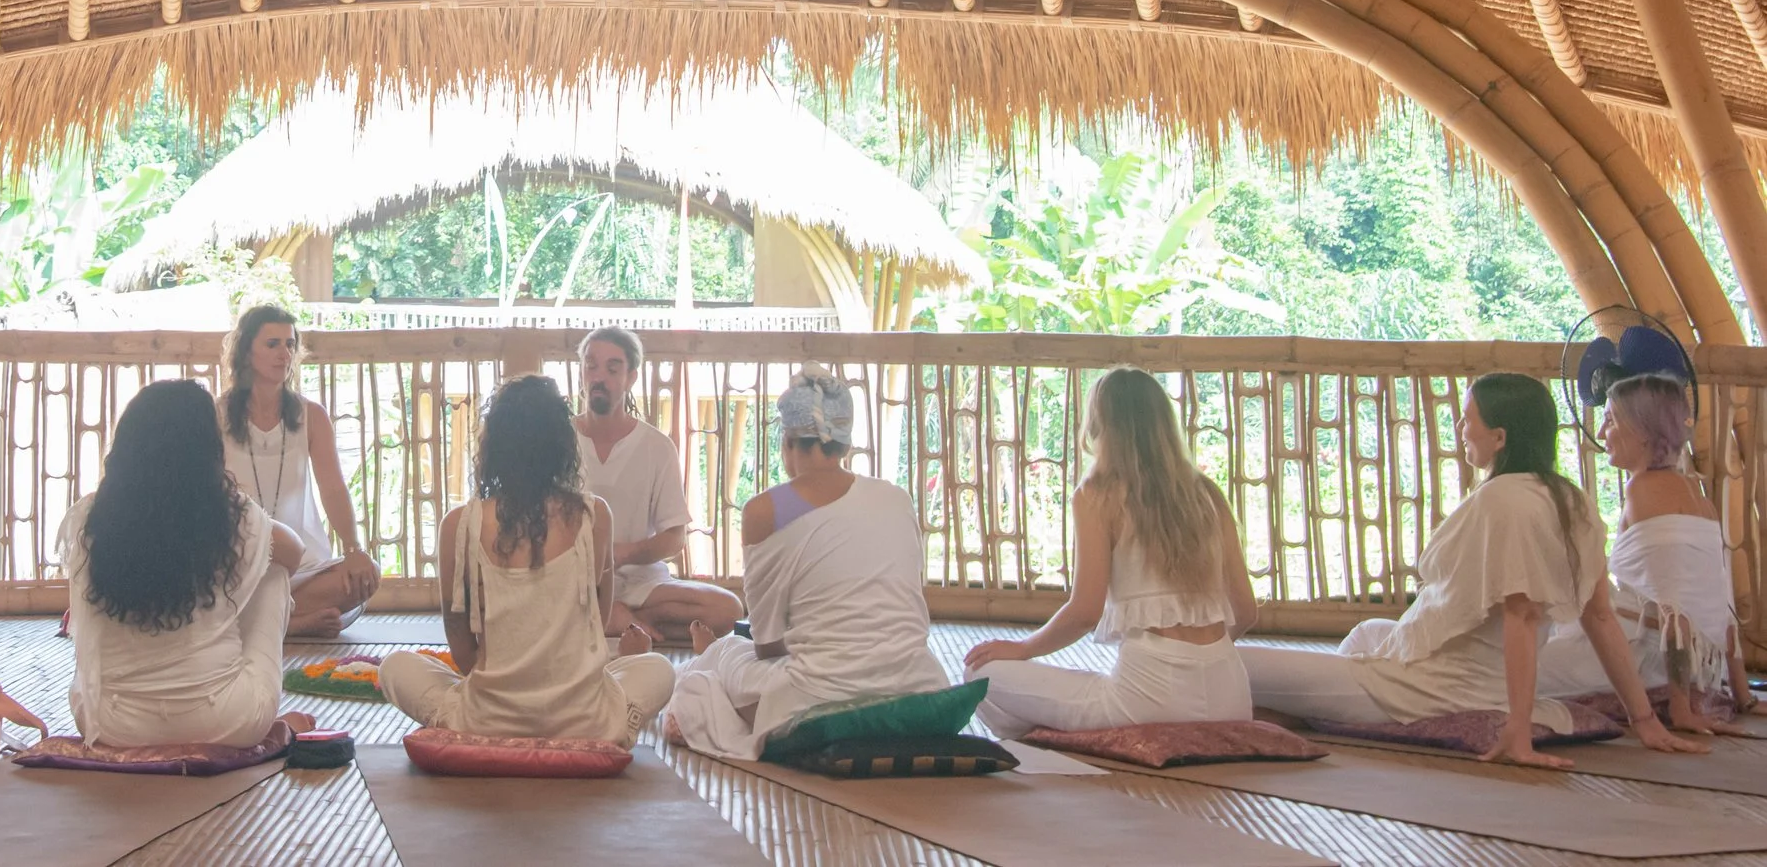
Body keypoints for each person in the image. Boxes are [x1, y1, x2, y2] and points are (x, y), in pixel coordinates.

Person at [1238, 373, 1704, 766]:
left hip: (1434, 689)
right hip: (1442, 668)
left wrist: (1517, 733)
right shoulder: (1572, 499)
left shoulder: (1504, 501)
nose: (1460, 428)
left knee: (1240, 661)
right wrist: (1643, 720)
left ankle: (1316, 711)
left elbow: (1521, 616)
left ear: (1499, 437)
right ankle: (1314, 713)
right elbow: (1599, 616)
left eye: (1468, 419)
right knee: (1367, 632)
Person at [665, 368, 950, 758]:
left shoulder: (769, 509)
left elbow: (766, 646)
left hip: (817, 694)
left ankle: (703, 657)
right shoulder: (895, 497)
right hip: (918, 682)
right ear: (845, 445)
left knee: (727, 651)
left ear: (787, 440)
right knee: (744, 654)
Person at [379, 375, 676, 743]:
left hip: (485, 720)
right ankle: (603, 732)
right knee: (658, 669)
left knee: (395, 666)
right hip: (583, 721)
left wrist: (504, 690)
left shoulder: (459, 524)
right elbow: (595, 625)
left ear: (494, 446)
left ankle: (481, 732)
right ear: (563, 446)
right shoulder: (594, 516)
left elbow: (459, 643)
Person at [964, 367, 1257, 739]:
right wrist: (1200, 660)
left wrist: (1023, 648)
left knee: (980, 673)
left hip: (1148, 703)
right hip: (1232, 697)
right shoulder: (1207, 494)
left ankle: (1049, 741)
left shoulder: (1097, 495)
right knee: (1088, 684)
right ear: (1165, 423)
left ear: (1100, 427)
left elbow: (1085, 612)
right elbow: (1246, 611)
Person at [62, 378, 315, 748]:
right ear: (206, 449)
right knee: (271, 570)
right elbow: (293, 552)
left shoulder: (89, 517)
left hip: (111, 725)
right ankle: (252, 704)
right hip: (225, 723)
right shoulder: (232, 517)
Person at [1539, 350, 1751, 731]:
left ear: (1643, 432)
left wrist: (1680, 709)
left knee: (1502, 673)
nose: (1602, 433)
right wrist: (1742, 695)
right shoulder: (1696, 494)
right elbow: (1723, 605)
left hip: (1642, 656)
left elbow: (1675, 611)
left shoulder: (1646, 493)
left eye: (1609, 420)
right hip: (1660, 653)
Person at [572, 327, 742, 644]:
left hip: (641, 586)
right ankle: (617, 620)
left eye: (612, 368)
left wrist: (623, 555)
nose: (599, 377)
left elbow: (674, 538)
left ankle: (618, 619)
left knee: (728, 608)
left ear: (631, 377)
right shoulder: (559, 440)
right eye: (591, 365)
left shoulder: (656, 446)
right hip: (573, 583)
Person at [219, 305, 379, 638]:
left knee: (366, 576)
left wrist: (353, 549)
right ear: (247, 351)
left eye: (290, 344)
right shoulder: (215, 414)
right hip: (238, 566)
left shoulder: (312, 415)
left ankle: (270, 622)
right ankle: (293, 624)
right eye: (272, 344)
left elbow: (333, 488)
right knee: (207, 593)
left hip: (303, 569)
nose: (284, 353)